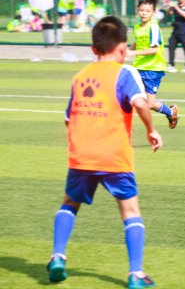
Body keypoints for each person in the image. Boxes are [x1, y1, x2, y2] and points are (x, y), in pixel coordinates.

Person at [47, 16, 163, 289]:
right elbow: (140, 103)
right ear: (123, 48)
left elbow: (68, 119)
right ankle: (136, 274)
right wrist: (151, 130)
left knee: (69, 204)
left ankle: (57, 256)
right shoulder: (124, 74)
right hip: (114, 156)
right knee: (130, 210)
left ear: (93, 48)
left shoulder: (80, 77)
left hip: (81, 155)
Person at [128, 0, 179, 129]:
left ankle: (171, 112)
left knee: (149, 104)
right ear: (137, 10)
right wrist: (126, 50)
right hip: (139, 68)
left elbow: (154, 49)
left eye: (147, 11)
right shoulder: (137, 27)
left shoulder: (153, 27)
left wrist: (133, 53)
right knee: (131, 96)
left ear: (154, 12)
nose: (144, 13)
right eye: (141, 10)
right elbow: (138, 42)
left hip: (152, 69)